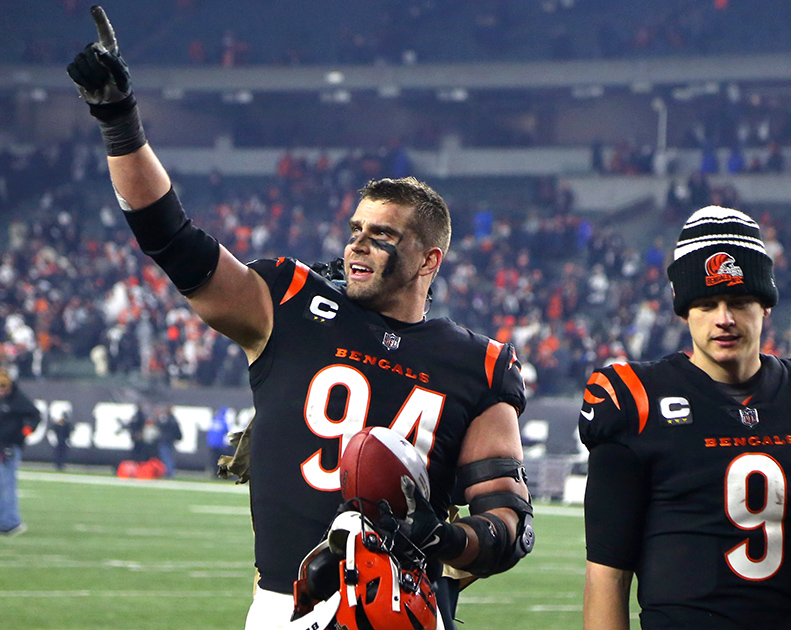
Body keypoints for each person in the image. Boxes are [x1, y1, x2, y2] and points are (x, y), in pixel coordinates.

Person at [67, 9, 532, 629]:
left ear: (430, 259)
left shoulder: (477, 363)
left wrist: (436, 539)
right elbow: (170, 239)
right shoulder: (290, 303)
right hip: (287, 604)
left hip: (406, 607)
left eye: (383, 235)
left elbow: (508, 522)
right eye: (356, 231)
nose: (359, 245)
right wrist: (118, 121)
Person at [580, 206, 791, 630]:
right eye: (706, 303)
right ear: (683, 311)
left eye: (739, 301)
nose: (724, 318)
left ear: (765, 305)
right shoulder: (635, 400)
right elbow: (607, 576)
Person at [0, 369, 40, 536]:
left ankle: (11, 521)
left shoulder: (18, 399)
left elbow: (35, 416)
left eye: (4, 387)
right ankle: (2, 521)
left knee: (7, 484)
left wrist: (25, 432)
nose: (0, 391)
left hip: (10, 445)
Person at [155, 405, 181, 478]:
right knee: (169, 457)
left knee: (166, 457)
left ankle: (168, 473)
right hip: (170, 441)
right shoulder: (174, 419)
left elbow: (160, 425)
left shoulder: (166, 419)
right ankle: (169, 472)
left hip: (165, 441)